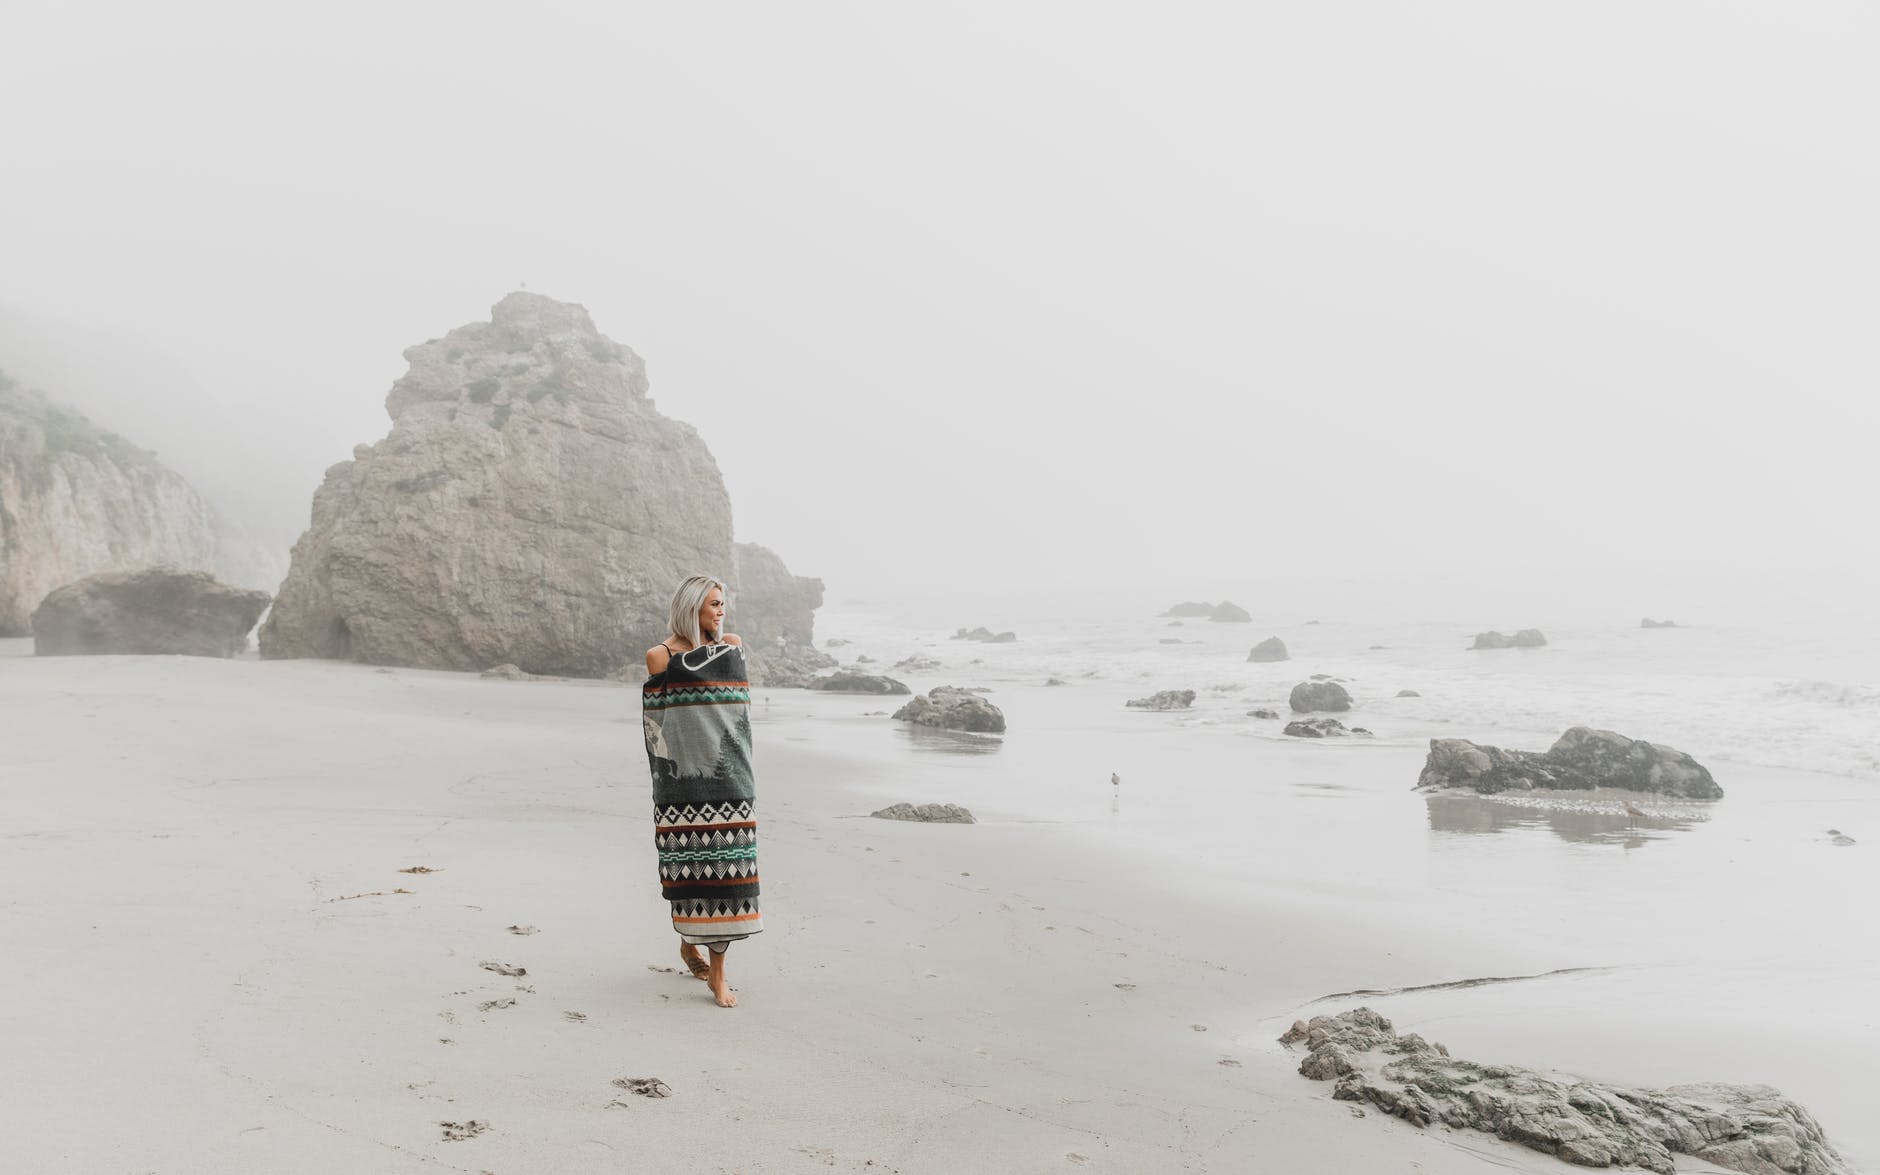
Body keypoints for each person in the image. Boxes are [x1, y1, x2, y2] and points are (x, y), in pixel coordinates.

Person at [642, 575, 761, 1008]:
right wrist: (670, 776)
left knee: (728, 878)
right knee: (688, 873)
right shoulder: (660, 656)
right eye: (713, 603)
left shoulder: (730, 644)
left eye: (722, 602)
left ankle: (718, 974)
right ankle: (688, 944)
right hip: (683, 784)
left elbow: (735, 710)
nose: (720, 610)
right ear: (692, 608)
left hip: (732, 778)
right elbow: (663, 722)